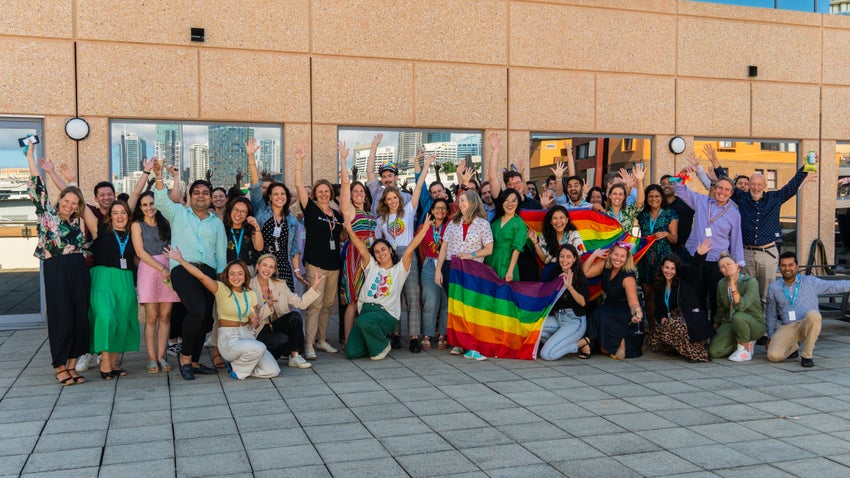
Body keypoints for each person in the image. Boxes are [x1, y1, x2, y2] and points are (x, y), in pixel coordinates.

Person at [703, 144, 813, 306]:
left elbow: (793, 185)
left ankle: (765, 328)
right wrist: (714, 160)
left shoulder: (775, 198)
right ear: (749, 185)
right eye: (753, 184)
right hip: (746, 253)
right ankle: (750, 326)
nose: (756, 187)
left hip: (767, 253)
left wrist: (807, 165)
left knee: (766, 295)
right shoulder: (741, 198)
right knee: (747, 292)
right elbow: (726, 181)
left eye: (759, 184)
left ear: (765, 185)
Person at [153, 160, 227, 380]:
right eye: (196, 192)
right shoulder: (178, 213)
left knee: (206, 320)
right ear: (190, 195)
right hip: (183, 269)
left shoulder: (216, 223)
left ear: (211, 196)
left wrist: (222, 278)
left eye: (205, 192)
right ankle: (185, 357)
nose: (201, 196)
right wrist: (158, 177)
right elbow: (160, 201)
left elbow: (221, 252)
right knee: (196, 310)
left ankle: (195, 362)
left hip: (209, 272)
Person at [25, 145, 91, 385]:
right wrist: (30, 155)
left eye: (74, 203)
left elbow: (80, 199)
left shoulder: (75, 222)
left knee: (79, 317)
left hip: (79, 270)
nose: (70, 205)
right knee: (61, 316)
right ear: (59, 198)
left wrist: (71, 182)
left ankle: (73, 365)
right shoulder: (47, 215)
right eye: (67, 200)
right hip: (57, 269)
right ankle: (60, 366)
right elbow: (36, 185)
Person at [165, 248, 278, 379]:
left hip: (248, 336)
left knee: (273, 370)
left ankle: (240, 366)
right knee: (260, 347)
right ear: (227, 275)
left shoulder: (251, 294)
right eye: (232, 274)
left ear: (245, 275)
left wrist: (255, 321)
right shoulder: (221, 289)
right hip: (229, 339)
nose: (236, 277)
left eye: (240, 274)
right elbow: (201, 276)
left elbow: (254, 323)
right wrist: (181, 260)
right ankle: (239, 371)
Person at [342, 209, 431, 360]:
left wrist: (424, 230)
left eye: (383, 249)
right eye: (376, 252)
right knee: (351, 352)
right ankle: (372, 343)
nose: (380, 253)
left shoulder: (399, 270)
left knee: (363, 321)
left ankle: (382, 345)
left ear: (390, 250)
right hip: (365, 313)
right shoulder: (371, 266)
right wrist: (350, 231)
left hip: (385, 314)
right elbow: (362, 249)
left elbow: (410, 249)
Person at [374, 154, 431, 352]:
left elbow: (418, 186)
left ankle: (414, 336)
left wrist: (426, 165)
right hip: (391, 257)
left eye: (394, 198)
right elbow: (378, 242)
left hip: (408, 253)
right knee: (394, 296)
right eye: (388, 199)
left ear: (399, 198)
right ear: (385, 201)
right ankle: (395, 334)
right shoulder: (381, 220)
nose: (392, 201)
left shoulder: (408, 211)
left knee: (412, 295)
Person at [294, 141, 343, 360]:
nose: (323, 194)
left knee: (328, 304)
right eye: (319, 191)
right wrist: (300, 161)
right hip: (316, 264)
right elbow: (297, 185)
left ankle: (322, 340)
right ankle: (308, 344)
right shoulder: (311, 208)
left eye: (326, 191)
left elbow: (339, 236)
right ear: (314, 193)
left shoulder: (336, 213)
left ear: (331, 193)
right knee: (315, 304)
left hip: (334, 264)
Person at [674, 171, 744, 315]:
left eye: (727, 190)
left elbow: (736, 240)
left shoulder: (734, 214)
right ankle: (701, 332)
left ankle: (715, 331)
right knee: (697, 297)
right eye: (720, 188)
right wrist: (682, 174)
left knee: (716, 299)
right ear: (715, 188)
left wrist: (738, 265)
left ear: (731, 194)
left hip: (717, 262)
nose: (722, 192)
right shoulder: (701, 202)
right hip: (696, 258)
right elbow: (680, 190)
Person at [435, 190, 494, 358]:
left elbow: (489, 249)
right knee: (455, 306)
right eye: (459, 201)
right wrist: (438, 270)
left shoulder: (483, 224)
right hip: (451, 268)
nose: (460, 204)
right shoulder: (452, 223)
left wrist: (471, 255)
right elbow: (444, 248)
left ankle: (469, 343)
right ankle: (458, 343)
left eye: (463, 201)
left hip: (472, 269)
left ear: (473, 202)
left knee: (469, 307)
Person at [86, 200, 140, 379]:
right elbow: (82, 206)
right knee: (106, 318)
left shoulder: (133, 232)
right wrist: (69, 182)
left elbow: (135, 196)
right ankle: (105, 362)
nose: (119, 216)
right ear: (110, 216)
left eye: (123, 212)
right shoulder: (99, 228)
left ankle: (113, 362)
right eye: (115, 212)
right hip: (102, 279)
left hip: (125, 280)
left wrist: (146, 172)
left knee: (122, 320)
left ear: (128, 215)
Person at [765, 252, 850, 367]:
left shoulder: (810, 281)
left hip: (807, 323)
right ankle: (792, 346)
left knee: (814, 315)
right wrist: (771, 336)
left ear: (797, 266)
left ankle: (807, 355)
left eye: (790, 265)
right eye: (783, 265)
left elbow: (833, 286)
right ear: (779, 267)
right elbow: (771, 313)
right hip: (788, 327)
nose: (787, 268)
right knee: (773, 356)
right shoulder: (774, 287)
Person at [131, 191, 180, 373]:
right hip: (149, 269)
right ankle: (151, 358)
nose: (149, 208)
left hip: (168, 267)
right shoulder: (137, 225)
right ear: (140, 207)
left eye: (151, 203)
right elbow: (140, 252)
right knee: (151, 317)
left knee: (166, 316)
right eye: (144, 205)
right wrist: (161, 269)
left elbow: (178, 200)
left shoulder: (166, 221)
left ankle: (162, 356)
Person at [647, 239, 714, 363]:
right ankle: (682, 348)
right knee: (654, 341)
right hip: (670, 322)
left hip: (689, 321)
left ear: (677, 270)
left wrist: (699, 255)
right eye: (666, 267)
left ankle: (697, 354)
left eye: (673, 268)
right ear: (662, 267)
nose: (669, 271)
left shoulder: (685, 281)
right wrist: (661, 317)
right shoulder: (659, 285)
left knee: (676, 326)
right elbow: (658, 309)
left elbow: (694, 270)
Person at [337, 142, 377, 346]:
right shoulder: (350, 211)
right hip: (355, 256)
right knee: (353, 300)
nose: (359, 193)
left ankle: (362, 338)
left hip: (371, 256)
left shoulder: (370, 213)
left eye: (362, 191)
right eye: (356, 191)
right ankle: (348, 339)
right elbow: (345, 185)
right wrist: (344, 160)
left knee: (367, 298)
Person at [251, 254, 323, 368]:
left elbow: (301, 303)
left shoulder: (280, 285)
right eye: (264, 265)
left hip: (275, 325)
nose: (267, 269)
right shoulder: (249, 287)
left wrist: (314, 286)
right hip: (259, 329)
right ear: (257, 266)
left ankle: (294, 356)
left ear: (274, 270)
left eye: (271, 267)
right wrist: (267, 307)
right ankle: (265, 357)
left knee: (295, 316)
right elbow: (251, 318)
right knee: (282, 340)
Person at [487, 132, 541, 281]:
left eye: (517, 182)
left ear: (522, 182)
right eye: (510, 184)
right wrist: (495, 151)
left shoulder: (535, 204)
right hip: (502, 260)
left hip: (528, 257)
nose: (514, 186)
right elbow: (492, 176)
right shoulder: (502, 200)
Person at [583, 244, 644, 360]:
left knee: (601, 314)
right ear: (610, 254)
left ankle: (621, 343)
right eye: (616, 254)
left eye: (622, 256)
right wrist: (594, 255)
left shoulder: (627, 277)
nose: (618, 259)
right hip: (612, 305)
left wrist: (637, 314)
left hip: (626, 309)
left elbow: (634, 302)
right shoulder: (605, 265)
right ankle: (596, 344)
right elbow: (585, 272)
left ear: (627, 258)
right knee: (596, 313)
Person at [708, 252, 765, 361]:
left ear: (736, 265)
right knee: (714, 352)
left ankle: (745, 349)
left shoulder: (751, 282)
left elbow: (741, 306)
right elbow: (720, 308)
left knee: (738, 316)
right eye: (722, 267)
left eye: (728, 264)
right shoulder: (722, 283)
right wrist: (716, 325)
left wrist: (733, 285)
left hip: (753, 323)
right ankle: (742, 339)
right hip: (731, 322)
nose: (726, 268)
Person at [539, 245, 590, 361]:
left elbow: (583, 303)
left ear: (574, 259)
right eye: (562, 256)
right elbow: (545, 294)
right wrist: (558, 282)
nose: (564, 260)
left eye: (568, 257)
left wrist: (569, 287)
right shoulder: (554, 272)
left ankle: (579, 344)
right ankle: (559, 342)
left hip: (574, 322)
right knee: (534, 328)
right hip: (558, 318)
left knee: (547, 355)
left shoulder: (580, 276)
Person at [638, 184, 678, 326]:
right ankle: (652, 329)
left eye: (657, 196)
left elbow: (675, 239)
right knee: (648, 295)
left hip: (663, 259)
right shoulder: (642, 215)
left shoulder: (670, 214)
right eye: (650, 196)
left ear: (662, 198)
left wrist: (666, 234)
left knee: (661, 294)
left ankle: (665, 328)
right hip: (645, 259)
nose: (654, 199)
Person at [418, 199, 450, 351]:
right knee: (430, 300)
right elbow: (419, 245)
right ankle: (427, 334)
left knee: (445, 300)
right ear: (432, 210)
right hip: (430, 264)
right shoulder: (425, 226)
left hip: (447, 264)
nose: (440, 211)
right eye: (437, 208)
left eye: (444, 208)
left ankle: (443, 334)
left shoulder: (450, 226)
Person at [259, 182, 301, 292]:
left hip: (283, 264)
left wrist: (296, 271)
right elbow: (254, 190)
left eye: (283, 194)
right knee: (265, 301)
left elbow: (294, 248)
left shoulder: (291, 220)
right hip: (264, 262)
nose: (280, 197)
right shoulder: (261, 213)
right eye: (275, 194)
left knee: (283, 304)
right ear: (269, 197)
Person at [529, 205, 585, 280]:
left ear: (567, 220)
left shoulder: (574, 234)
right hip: (551, 268)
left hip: (570, 268)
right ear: (551, 222)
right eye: (555, 218)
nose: (558, 221)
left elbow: (579, 256)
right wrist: (535, 242)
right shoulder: (544, 235)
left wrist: (569, 270)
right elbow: (543, 259)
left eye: (561, 218)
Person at [485, 188, 527, 282]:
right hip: (491, 259)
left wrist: (510, 271)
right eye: (506, 200)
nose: (510, 204)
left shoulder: (519, 223)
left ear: (518, 202)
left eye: (513, 201)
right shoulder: (496, 220)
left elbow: (517, 249)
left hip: (507, 262)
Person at [366, 134, 411, 215]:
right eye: (384, 177)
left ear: (396, 177)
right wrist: (373, 147)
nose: (387, 180)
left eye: (390, 176)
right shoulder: (377, 193)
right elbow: (370, 171)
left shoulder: (407, 197)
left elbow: (411, 221)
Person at [660, 174, 694, 263]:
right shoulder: (657, 205)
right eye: (663, 184)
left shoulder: (686, 203)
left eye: (670, 183)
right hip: (662, 249)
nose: (666, 186)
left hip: (683, 249)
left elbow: (705, 204)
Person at [604, 164, 645, 233]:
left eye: (620, 194)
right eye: (615, 194)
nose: (617, 196)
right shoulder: (604, 213)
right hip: (610, 243)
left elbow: (640, 202)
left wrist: (639, 181)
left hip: (627, 243)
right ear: (609, 196)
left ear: (624, 197)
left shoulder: (629, 211)